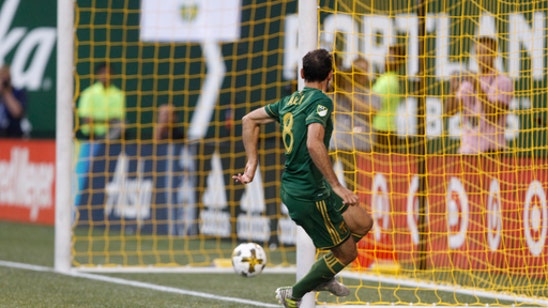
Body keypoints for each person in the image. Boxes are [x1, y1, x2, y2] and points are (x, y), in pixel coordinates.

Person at [232, 49, 373, 308]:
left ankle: (325, 274)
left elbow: (248, 119)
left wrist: (252, 163)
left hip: (309, 187)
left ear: (301, 74)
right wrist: (337, 185)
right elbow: (313, 143)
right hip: (309, 192)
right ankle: (294, 294)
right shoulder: (322, 101)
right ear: (330, 76)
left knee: (363, 222)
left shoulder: (289, 101)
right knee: (348, 252)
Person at [448, 36, 514, 154]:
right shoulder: (468, 82)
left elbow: (492, 115)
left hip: (493, 152)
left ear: (495, 55)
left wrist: (477, 86)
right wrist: (453, 89)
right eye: (478, 53)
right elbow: (449, 112)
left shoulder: (504, 82)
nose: (481, 58)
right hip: (467, 152)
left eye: (486, 53)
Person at [330, 56, 380, 192]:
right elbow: (326, 107)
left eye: (363, 70)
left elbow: (370, 112)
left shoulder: (371, 93)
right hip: (336, 143)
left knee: (355, 187)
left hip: (359, 146)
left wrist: (348, 93)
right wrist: (336, 85)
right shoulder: (337, 92)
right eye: (356, 70)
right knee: (323, 180)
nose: (359, 73)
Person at [77, 62, 126, 140]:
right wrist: (105, 121)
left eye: (108, 73)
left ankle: (105, 144)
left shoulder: (118, 94)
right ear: (97, 74)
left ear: (112, 75)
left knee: (121, 123)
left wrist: (96, 120)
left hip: (110, 134)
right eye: (103, 72)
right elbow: (85, 118)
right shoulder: (88, 92)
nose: (105, 76)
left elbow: (117, 118)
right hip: (90, 133)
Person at [371, 44, 406, 152]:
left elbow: (373, 107)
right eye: (387, 56)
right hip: (383, 130)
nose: (387, 59)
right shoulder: (386, 78)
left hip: (383, 131)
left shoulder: (389, 81)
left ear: (399, 62)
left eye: (392, 58)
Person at [0, 66, 27, 138]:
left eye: (5, 81)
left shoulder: (17, 93)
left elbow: (17, 112)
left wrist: (6, 92)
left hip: (12, 134)